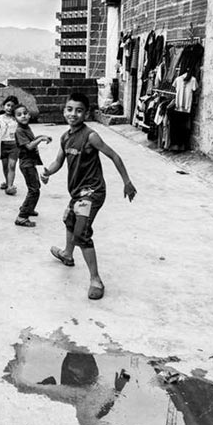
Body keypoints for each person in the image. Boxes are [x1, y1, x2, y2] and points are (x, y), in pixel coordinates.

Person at [41, 92, 137, 300]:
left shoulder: (90, 136)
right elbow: (58, 161)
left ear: (86, 113)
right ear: (64, 110)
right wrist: (48, 171)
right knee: (69, 219)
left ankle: (96, 280)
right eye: (69, 109)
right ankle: (67, 254)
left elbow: (114, 156)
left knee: (81, 233)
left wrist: (127, 182)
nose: (73, 114)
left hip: (92, 193)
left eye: (79, 110)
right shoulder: (65, 137)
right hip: (77, 192)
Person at [13, 104, 51, 227]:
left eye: (25, 113)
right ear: (15, 118)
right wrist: (40, 140)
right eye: (19, 115)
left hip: (30, 163)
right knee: (34, 190)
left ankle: (28, 208)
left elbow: (32, 140)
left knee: (35, 186)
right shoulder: (19, 131)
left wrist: (42, 137)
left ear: (29, 114)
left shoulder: (26, 127)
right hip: (26, 164)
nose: (23, 116)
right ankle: (22, 216)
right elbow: (29, 146)